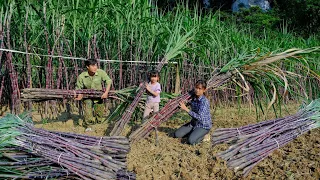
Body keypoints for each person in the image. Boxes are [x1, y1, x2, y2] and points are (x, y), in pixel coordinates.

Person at [75, 58, 112, 131]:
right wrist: (79, 94)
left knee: (99, 113)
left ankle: (98, 124)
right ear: (87, 67)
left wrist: (106, 92)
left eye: (96, 65)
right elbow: (78, 88)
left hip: (99, 96)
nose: (95, 67)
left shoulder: (101, 72)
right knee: (88, 109)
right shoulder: (82, 76)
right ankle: (89, 125)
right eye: (92, 66)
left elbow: (108, 81)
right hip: (87, 96)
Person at [174, 80, 212, 145]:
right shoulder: (193, 98)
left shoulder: (204, 102)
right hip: (194, 123)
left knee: (191, 141)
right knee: (177, 134)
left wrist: (186, 109)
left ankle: (205, 136)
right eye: (196, 88)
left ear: (204, 90)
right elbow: (187, 103)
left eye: (200, 89)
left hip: (203, 125)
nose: (197, 90)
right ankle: (194, 133)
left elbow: (199, 117)